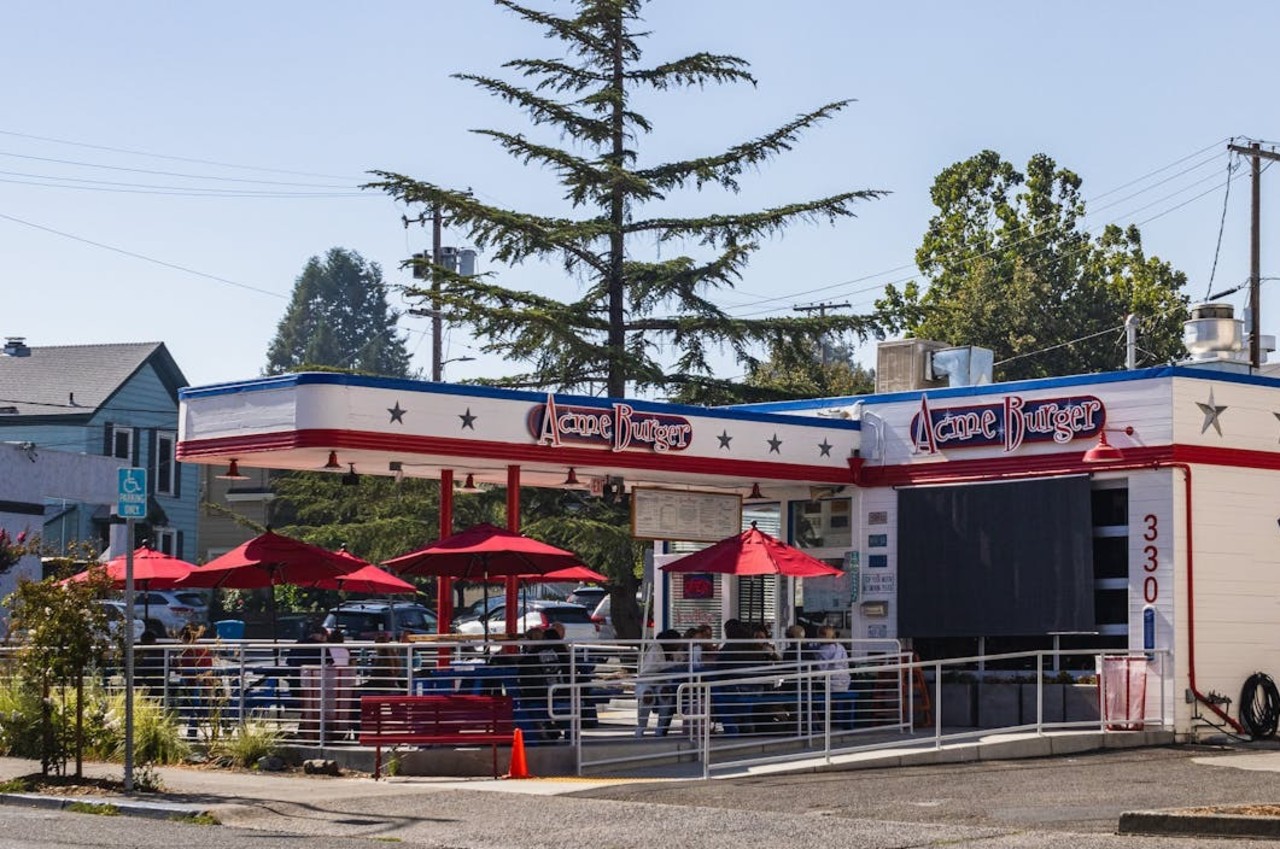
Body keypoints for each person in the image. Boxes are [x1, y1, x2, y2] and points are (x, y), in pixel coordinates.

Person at [635, 629, 683, 737]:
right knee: (647, 696)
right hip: (646, 681)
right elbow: (656, 666)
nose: (679, 644)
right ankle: (641, 728)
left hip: (661, 681)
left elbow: (681, 660)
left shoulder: (674, 651)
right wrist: (674, 663)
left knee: (665, 694)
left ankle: (660, 730)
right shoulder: (655, 648)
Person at [176, 624, 212, 737]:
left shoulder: (187, 651)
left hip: (193, 683)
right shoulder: (201, 649)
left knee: (193, 704)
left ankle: (191, 731)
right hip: (199, 682)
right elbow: (208, 666)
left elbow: (181, 669)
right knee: (196, 705)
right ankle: (192, 730)